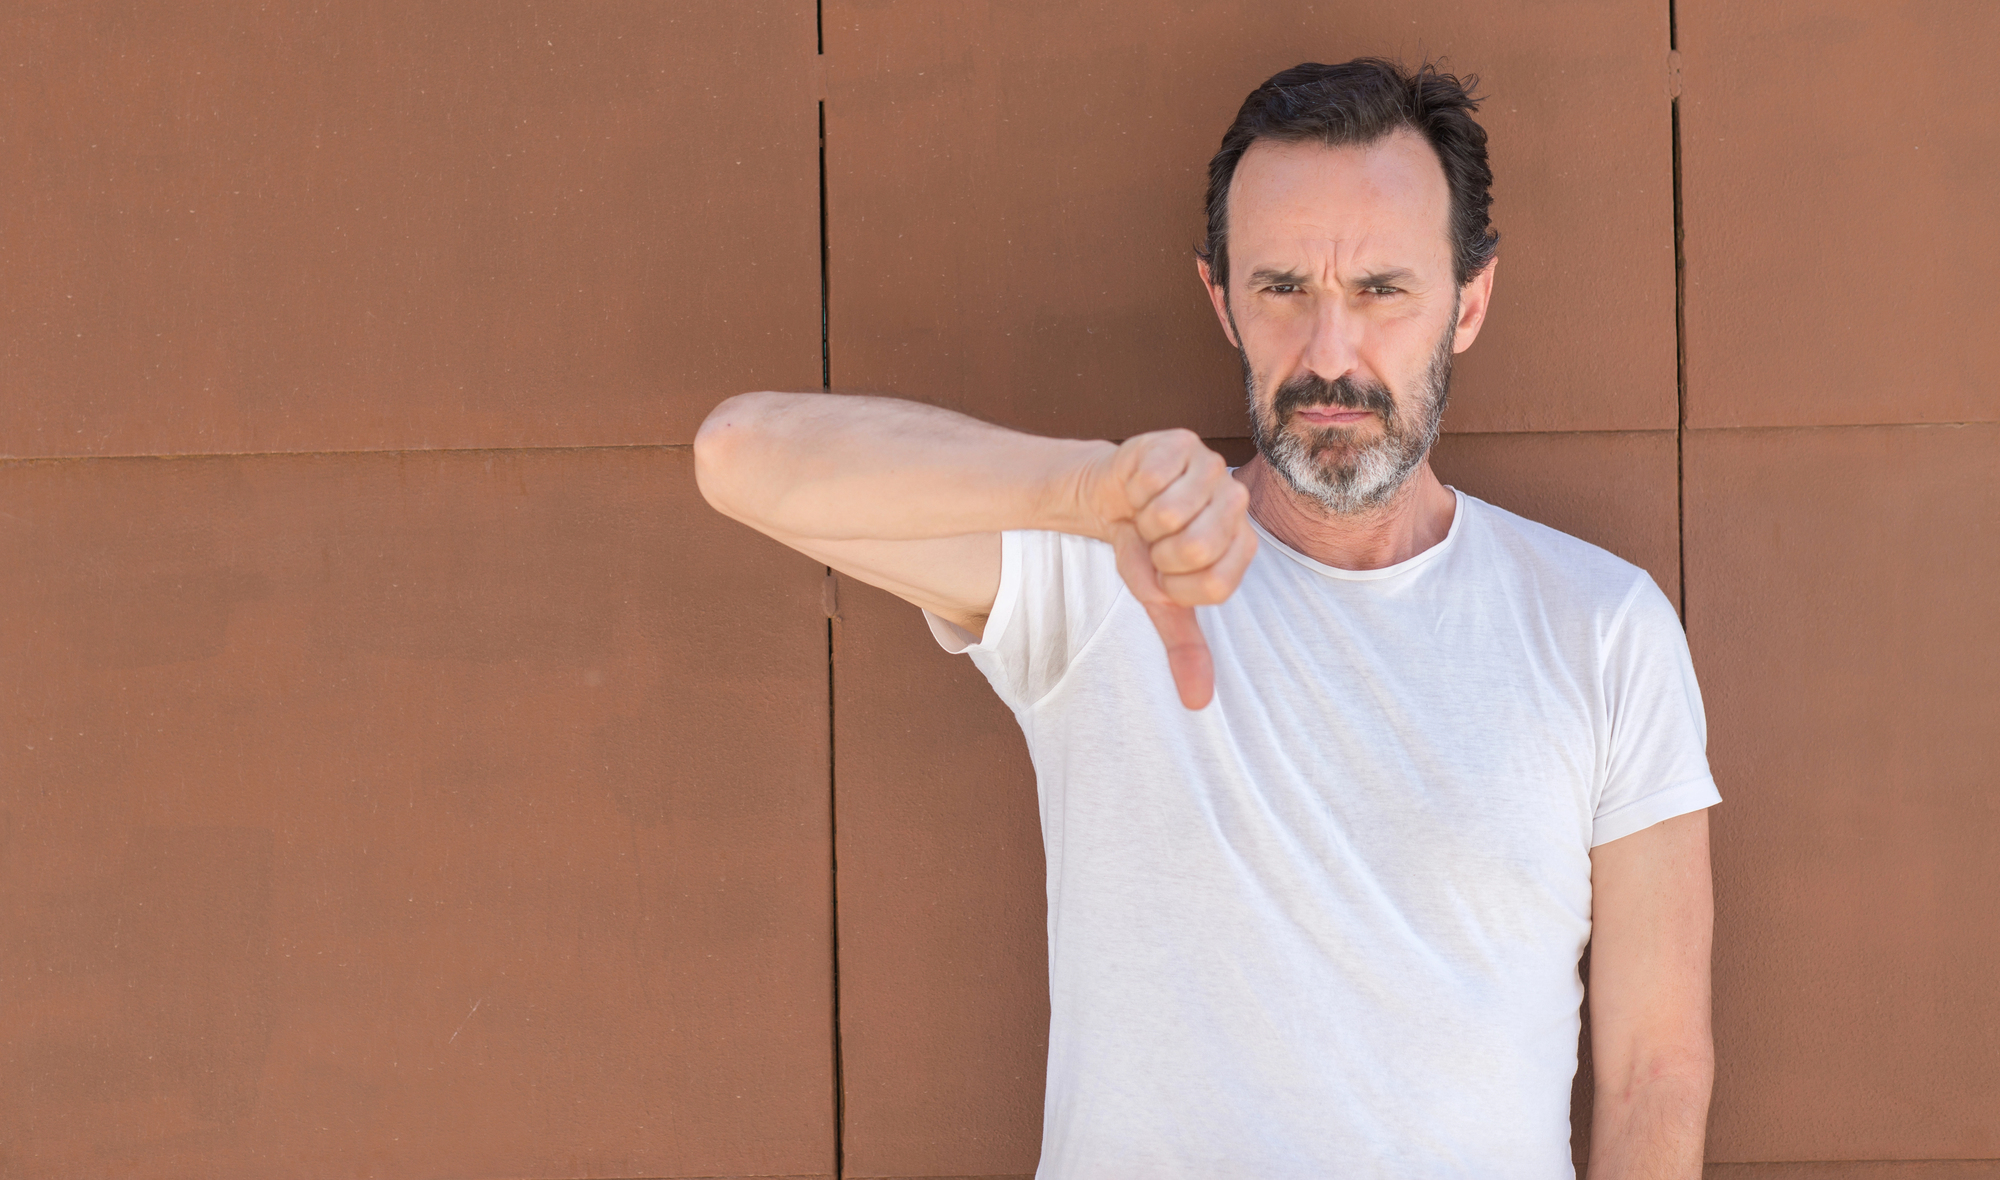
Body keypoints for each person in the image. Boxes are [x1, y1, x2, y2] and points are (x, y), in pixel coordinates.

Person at [696, 58, 1717, 1179]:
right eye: (1282, 288)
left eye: (1380, 290)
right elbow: (743, 458)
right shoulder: (1108, 572)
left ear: (1467, 302)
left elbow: (1654, 1068)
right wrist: (1083, 492)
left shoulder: (1600, 624)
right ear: (1220, 298)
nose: (1330, 354)